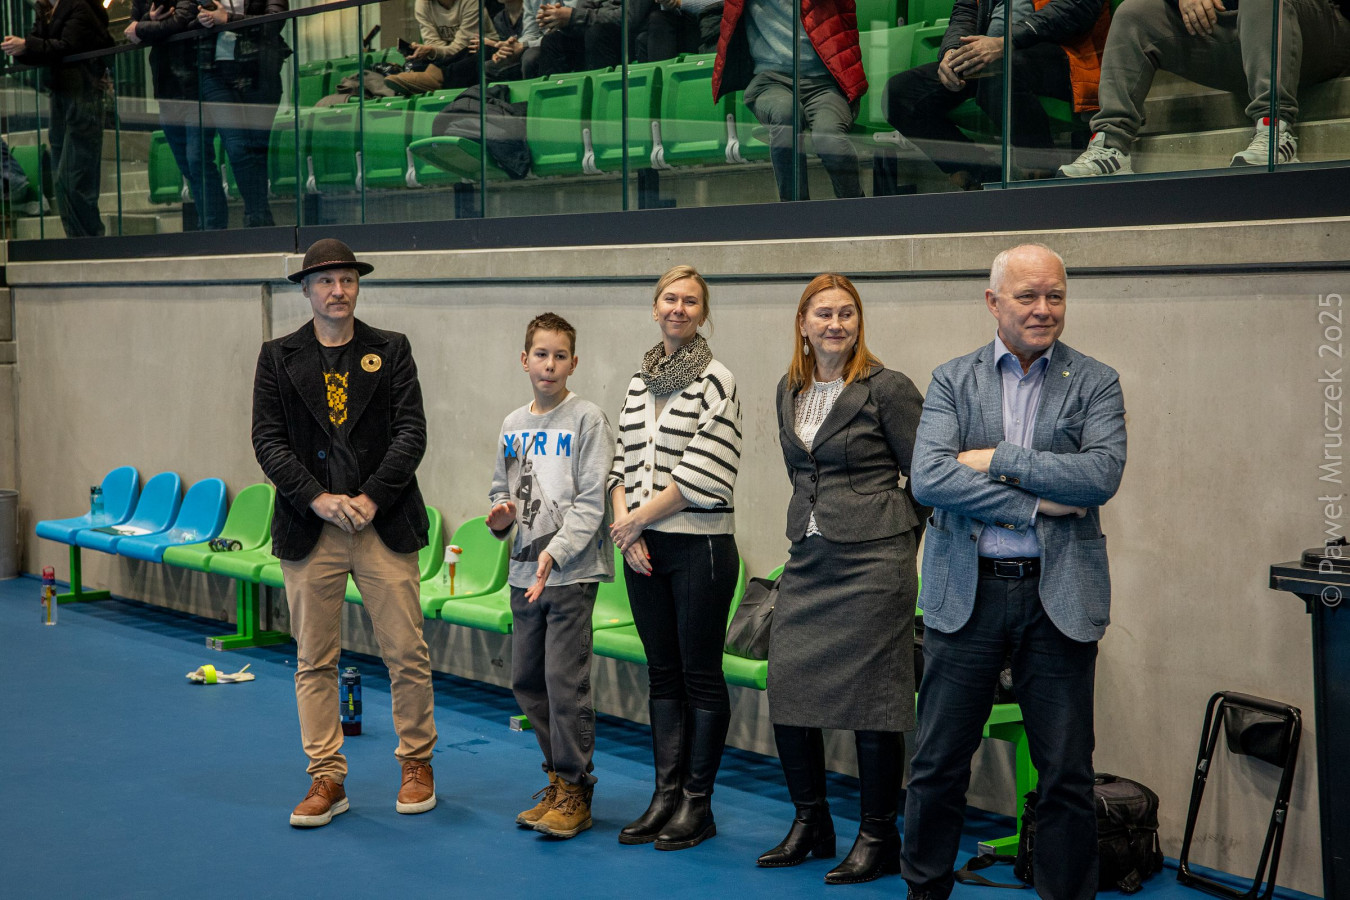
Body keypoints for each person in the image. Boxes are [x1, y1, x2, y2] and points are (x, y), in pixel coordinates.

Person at [901, 244, 1127, 900]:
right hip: (966, 596)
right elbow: (929, 477)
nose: (1043, 309)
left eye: (1055, 295)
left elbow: (1099, 475)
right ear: (993, 301)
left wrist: (996, 458)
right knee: (938, 764)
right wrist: (1036, 503)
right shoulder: (952, 379)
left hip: (1058, 600)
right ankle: (924, 891)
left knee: (1065, 775)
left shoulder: (1095, 381)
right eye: (1027, 296)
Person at [252, 239, 438, 829]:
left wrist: (370, 497)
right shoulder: (277, 357)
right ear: (307, 290)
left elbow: (411, 432)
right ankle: (326, 777)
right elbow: (267, 441)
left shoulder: (392, 349)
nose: (339, 290)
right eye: (326, 281)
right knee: (314, 660)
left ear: (358, 286)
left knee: (406, 653)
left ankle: (417, 764)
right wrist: (318, 498)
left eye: (348, 280)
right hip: (311, 525)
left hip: (384, 522)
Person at [757, 274, 927, 885]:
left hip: (875, 566)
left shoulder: (888, 387)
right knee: (788, 687)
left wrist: (898, 533)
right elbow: (800, 473)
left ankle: (879, 835)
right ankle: (812, 823)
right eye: (823, 313)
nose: (835, 324)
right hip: (809, 558)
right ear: (803, 324)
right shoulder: (789, 388)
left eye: (846, 313)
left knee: (875, 702)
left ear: (859, 322)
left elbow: (926, 474)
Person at [610, 265, 741, 851]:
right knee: (661, 672)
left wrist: (636, 520)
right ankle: (664, 796)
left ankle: (697, 804)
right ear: (655, 307)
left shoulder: (717, 381)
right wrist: (627, 529)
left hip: (700, 548)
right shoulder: (640, 383)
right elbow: (620, 464)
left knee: (700, 675)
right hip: (642, 548)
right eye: (670, 298)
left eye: (690, 301)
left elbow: (704, 474)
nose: (678, 308)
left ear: (703, 313)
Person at [487, 312, 616, 840]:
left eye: (560, 356)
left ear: (573, 363)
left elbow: (592, 502)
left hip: (569, 575)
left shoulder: (587, 420)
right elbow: (502, 490)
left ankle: (576, 788)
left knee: (565, 685)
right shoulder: (512, 424)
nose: (550, 364)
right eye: (541, 354)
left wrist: (556, 552)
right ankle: (558, 779)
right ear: (525, 360)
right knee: (527, 682)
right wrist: (499, 516)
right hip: (523, 574)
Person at [1057, 0, 1350, 176]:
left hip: (1321, 28)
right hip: (1241, 32)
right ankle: (1111, 146)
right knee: (1134, 13)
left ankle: (1275, 130)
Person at [883, 0, 1110, 189]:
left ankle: (1040, 171)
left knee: (1000, 73)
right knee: (900, 94)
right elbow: (965, 11)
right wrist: (952, 52)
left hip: (1067, 55)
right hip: (989, 55)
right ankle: (980, 173)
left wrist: (1005, 42)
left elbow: (1078, 7)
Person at [713, 0, 867, 201]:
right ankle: (794, 212)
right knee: (786, 115)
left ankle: (855, 209)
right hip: (770, 81)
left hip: (823, 83)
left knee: (829, 138)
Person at [2, 0, 112, 238]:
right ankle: (78, 240)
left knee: (73, 177)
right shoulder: (46, 10)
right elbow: (43, 48)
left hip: (82, 93)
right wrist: (23, 49)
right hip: (61, 94)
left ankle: (88, 241)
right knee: (63, 178)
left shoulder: (80, 6)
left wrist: (26, 45)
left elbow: (67, 46)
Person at [126, 0, 223, 231]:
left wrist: (142, 27)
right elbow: (130, 32)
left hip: (195, 84)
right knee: (187, 165)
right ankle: (207, 226)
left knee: (197, 161)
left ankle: (212, 228)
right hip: (166, 90)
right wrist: (147, 23)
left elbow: (180, 20)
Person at [196, 0, 288, 229]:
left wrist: (228, 19)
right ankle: (258, 219)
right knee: (237, 148)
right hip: (214, 71)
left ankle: (258, 218)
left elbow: (275, 20)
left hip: (259, 70)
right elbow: (183, 16)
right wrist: (201, 19)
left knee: (257, 151)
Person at [387, 0, 499, 94]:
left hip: (477, 53)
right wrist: (429, 51)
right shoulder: (423, 3)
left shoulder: (471, 2)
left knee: (477, 54)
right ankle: (432, 76)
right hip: (448, 58)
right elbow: (432, 43)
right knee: (416, 63)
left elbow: (461, 46)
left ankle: (438, 77)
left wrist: (433, 51)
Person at [535, 0, 622, 77]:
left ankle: (602, 88)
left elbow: (625, 16)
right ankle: (556, 89)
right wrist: (560, 20)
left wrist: (574, 16)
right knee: (551, 41)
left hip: (621, 38)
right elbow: (581, 16)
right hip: (590, 35)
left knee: (596, 33)